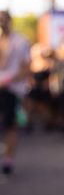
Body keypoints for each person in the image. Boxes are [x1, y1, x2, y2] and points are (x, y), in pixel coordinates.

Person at [0, 10, 31, 174]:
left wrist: (7, 80)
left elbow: (26, 68)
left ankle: (8, 161)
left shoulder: (20, 41)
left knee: (9, 126)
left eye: (3, 20)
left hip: (10, 90)